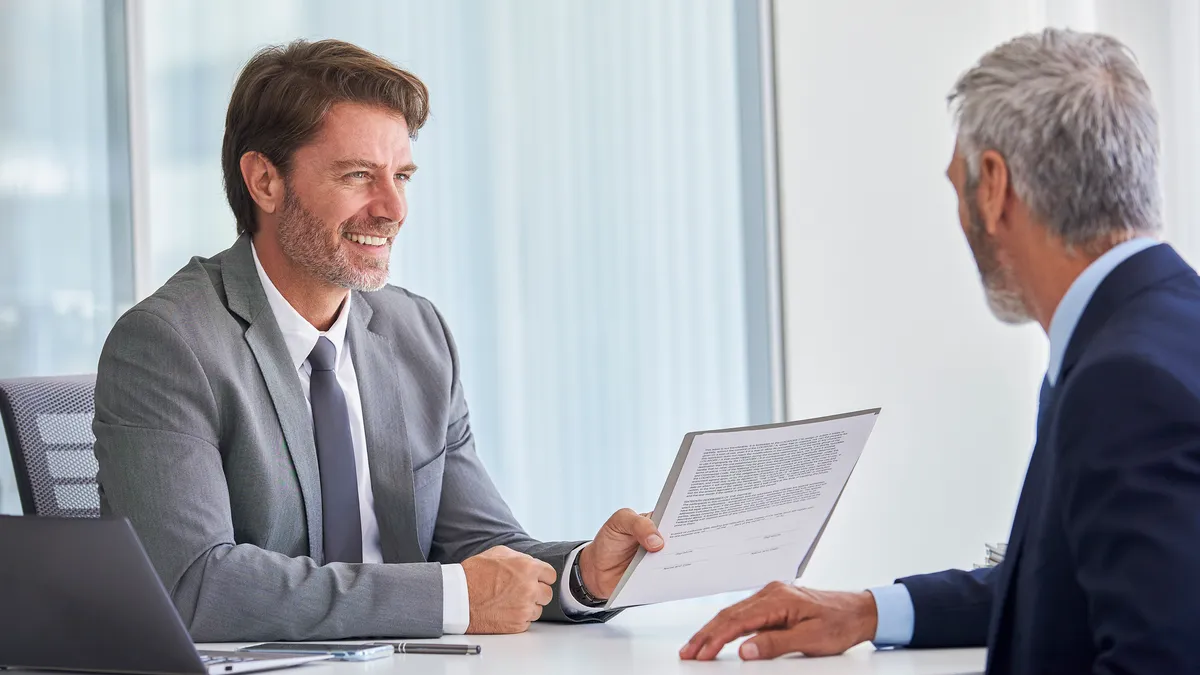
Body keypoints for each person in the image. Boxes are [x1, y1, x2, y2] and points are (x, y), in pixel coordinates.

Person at [92, 39, 664, 642]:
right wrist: (448, 597)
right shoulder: (168, 344)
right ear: (265, 180)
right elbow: (194, 586)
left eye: (402, 176)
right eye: (358, 175)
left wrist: (583, 578)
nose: (393, 208)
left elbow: (480, 547)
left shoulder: (417, 334)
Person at [680, 28, 1200, 674]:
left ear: (993, 186)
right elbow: (1081, 584)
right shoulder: (1157, 332)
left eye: (957, 184)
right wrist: (869, 610)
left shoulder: (1123, 381)